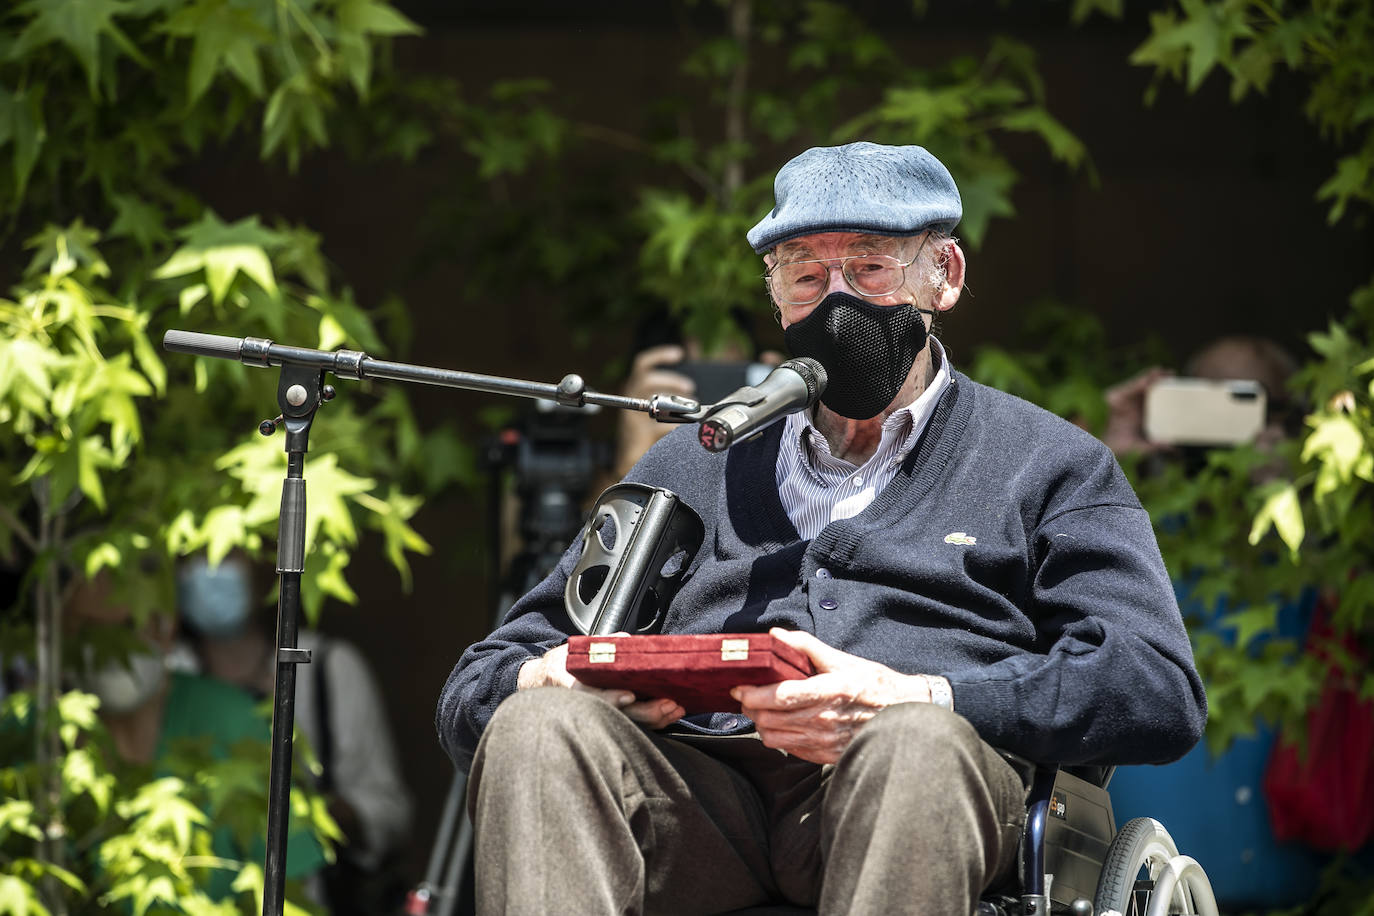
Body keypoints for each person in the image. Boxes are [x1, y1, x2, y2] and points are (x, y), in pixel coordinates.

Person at [437, 141, 1207, 914]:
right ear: (777, 300)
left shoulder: (1048, 464)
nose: (838, 302)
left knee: (913, 743)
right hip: (702, 812)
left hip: (924, 793)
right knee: (540, 727)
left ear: (946, 277)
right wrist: (542, 679)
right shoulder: (694, 463)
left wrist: (927, 697)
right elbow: (479, 681)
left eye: (869, 268)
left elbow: (1155, 686)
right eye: (807, 274)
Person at [175, 551, 415, 915]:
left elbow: (389, 815)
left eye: (229, 554)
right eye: (196, 556)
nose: (212, 568)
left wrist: (313, 815)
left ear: (263, 563)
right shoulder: (170, 677)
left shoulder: (328, 669)